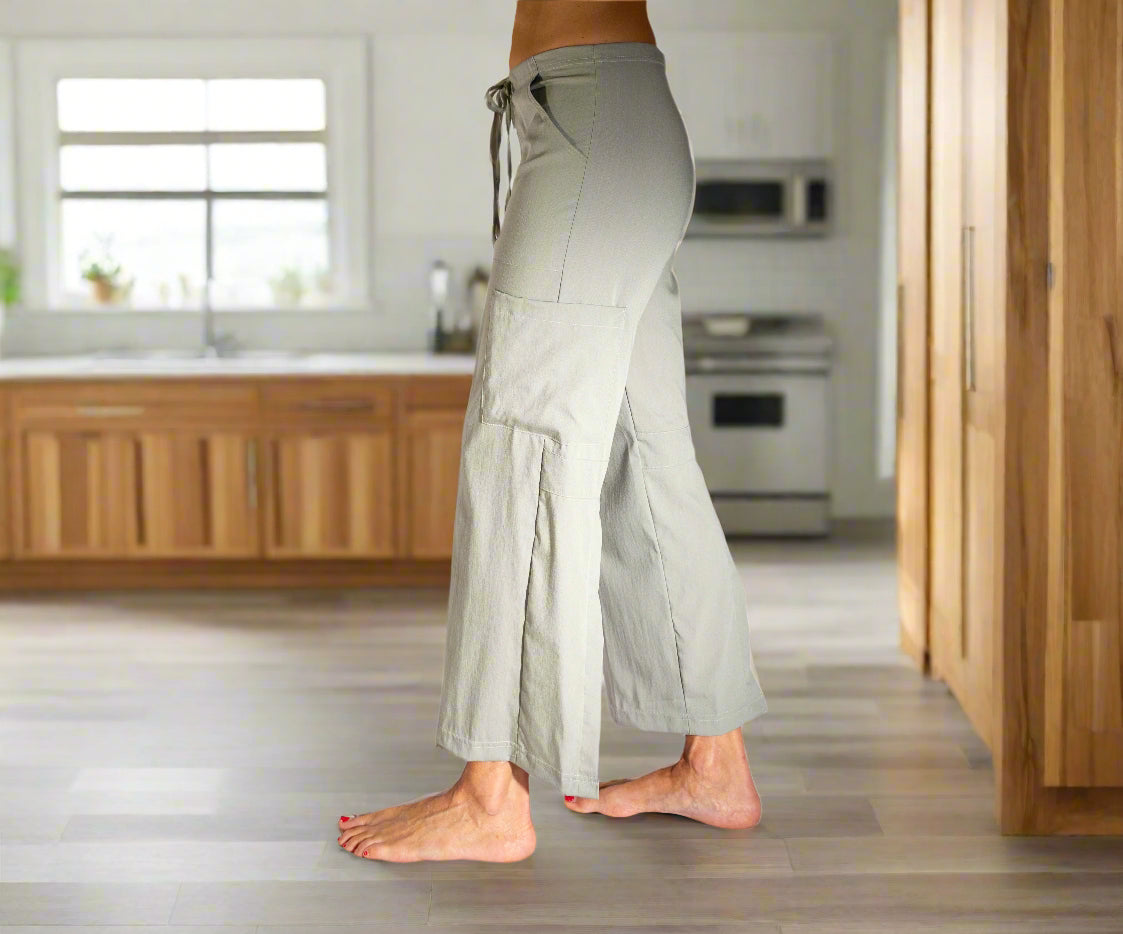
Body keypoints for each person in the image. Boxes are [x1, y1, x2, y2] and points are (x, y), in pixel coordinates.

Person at [337, 0, 767, 863]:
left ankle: (491, 797)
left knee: (521, 451)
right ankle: (715, 764)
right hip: (615, 122)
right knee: (644, 458)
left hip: (593, 120)